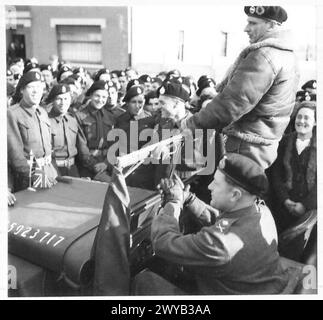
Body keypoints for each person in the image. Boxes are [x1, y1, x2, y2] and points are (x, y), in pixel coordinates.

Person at [133, 153, 295, 295]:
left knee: (144, 280)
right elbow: (225, 225)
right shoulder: (260, 212)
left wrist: (172, 203)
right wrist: (189, 199)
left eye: (216, 183)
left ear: (235, 195)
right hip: (255, 287)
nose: (210, 186)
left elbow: (162, 243)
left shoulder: (221, 245)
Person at [180, 6, 299, 169]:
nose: (246, 28)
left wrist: (191, 124)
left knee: (233, 191)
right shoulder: (287, 55)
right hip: (262, 142)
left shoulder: (264, 55)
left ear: (271, 25)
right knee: (247, 191)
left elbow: (232, 103)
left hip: (247, 143)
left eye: (253, 23)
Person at [268, 101, 316, 262]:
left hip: (310, 213)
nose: (301, 121)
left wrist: (305, 205)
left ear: (315, 121)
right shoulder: (285, 141)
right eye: (299, 117)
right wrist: (285, 200)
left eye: (307, 118)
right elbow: (276, 174)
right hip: (282, 208)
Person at [7, 71, 57, 192]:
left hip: (49, 172)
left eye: (39, 87)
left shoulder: (43, 113)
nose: (36, 91)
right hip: (28, 177)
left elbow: (49, 148)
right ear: (21, 90)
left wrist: (54, 172)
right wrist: (36, 175)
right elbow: (15, 155)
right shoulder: (13, 114)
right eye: (31, 87)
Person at [47, 84, 96, 177]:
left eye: (66, 99)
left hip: (72, 169)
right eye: (59, 99)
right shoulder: (46, 121)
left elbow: (81, 147)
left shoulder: (72, 120)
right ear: (53, 100)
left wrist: (91, 165)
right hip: (53, 169)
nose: (62, 103)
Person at [75, 80, 115, 182]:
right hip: (87, 168)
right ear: (91, 95)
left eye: (104, 97)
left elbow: (114, 145)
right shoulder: (80, 116)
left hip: (106, 166)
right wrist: (94, 166)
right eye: (97, 96)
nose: (100, 100)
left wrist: (106, 164)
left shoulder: (110, 117)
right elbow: (81, 147)